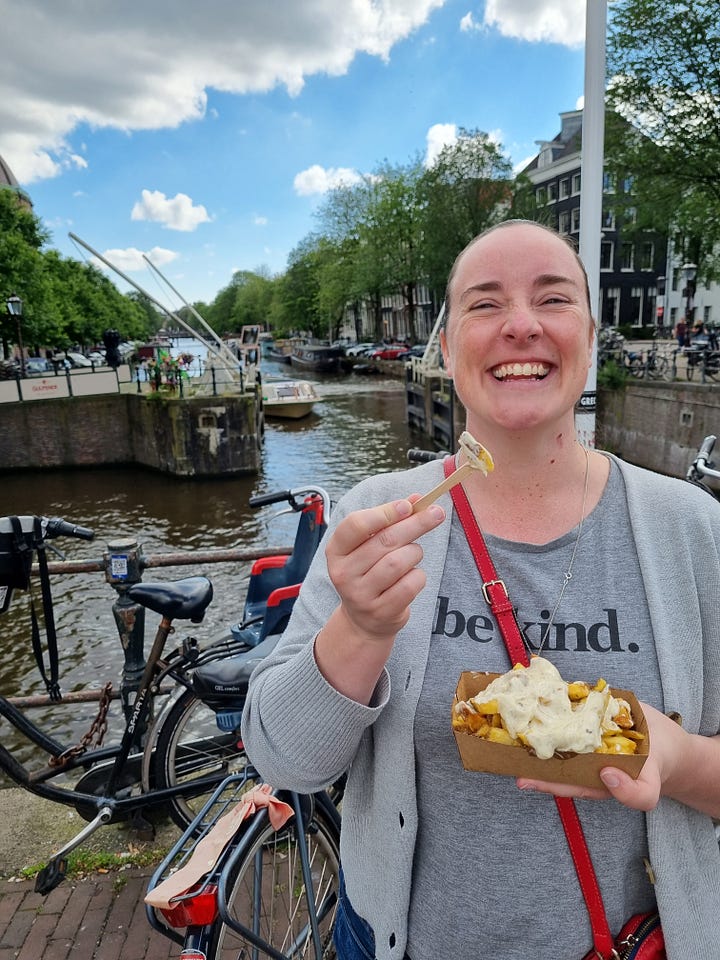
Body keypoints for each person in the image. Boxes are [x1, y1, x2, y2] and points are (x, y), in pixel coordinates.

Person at [241, 220, 720, 960]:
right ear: (445, 346)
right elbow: (287, 761)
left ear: (589, 337)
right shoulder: (381, 515)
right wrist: (362, 629)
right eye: (485, 304)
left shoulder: (691, 531)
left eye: (552, 299)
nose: (522, 325)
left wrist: (678, 757)